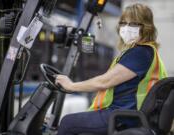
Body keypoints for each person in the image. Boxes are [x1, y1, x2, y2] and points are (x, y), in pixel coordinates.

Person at [55, 3, 167, 135]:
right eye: (123, 23)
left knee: (68, 123)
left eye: (133, 24)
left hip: (123, 116)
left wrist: (71, 86)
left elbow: (104, 82)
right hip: (128, 114)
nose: (126, 28)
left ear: (146, 27)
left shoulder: (140, 52)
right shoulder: (144, 52)